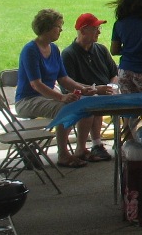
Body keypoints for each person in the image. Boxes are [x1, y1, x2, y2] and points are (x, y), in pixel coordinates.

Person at [14, 9, 106, 168]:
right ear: (47, 28)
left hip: (45, 97)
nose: (61, 30)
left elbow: (63, 78)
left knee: (85, 106)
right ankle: (63, 154)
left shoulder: (54, 49)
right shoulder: (30, 50)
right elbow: (36, 84)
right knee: (65, 109)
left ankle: (81, 149)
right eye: (58, 26)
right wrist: (61, 97)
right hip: (27, 100)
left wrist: (84, 89)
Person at [60, 12, 119, 161]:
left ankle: (120, 141)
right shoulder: (68, 54)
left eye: (99, 28)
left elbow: (114, 73)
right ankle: (86, 147)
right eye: (95, 29)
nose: (99, 32)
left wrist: (111, 86)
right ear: (83, 30)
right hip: (82, 97)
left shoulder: (101, 50)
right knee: (90, 104)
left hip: (105, 94)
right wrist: (96, 90)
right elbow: (68, 85)